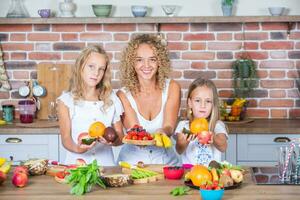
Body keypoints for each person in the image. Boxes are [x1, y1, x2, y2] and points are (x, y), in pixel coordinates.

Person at [117, 34, 181, 165]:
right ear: (131, 63)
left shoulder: (172, 88)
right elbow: (136, 131)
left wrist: (164, 131)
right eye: (139, 60)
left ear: (160, 62)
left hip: (167, 163)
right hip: (132, 164)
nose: (146, 65)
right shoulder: (123, 95)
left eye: (152, 59)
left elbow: (169, 126)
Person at [57, 45, 124, 166]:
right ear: (80, 67)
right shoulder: (66, 101)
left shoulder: (111, 99)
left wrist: (112, 142)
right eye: (91, 66)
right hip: (76, 167)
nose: (96, 73)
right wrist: (79, 149)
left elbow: (120, 137)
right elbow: (66, 139)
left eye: (101, 69)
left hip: (106, 168)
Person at [175, 78, 228, 166]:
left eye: (208, 101)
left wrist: (213, 137)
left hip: (212, 173)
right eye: (197, 100)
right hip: (190, 173)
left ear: (213, 105)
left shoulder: (217, 125)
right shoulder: (184, 126)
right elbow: (179, 149)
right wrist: (186, 140)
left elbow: (223, 147)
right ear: (190, 103)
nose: (203, 105)